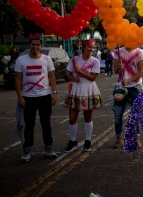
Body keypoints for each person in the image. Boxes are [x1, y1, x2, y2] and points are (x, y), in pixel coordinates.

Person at [15, 33, 58, 162]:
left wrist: (54, 92)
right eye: (33, 45)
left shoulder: (46, 59)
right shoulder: (21, 60)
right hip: (28, 97)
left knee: (46, 124)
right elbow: (17, 79)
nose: (35, 47)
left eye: (38, 45)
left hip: (44, 96)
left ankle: (49, 148)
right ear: (29, 46)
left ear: (41, 46)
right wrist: (19, 96)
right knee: (29, 125)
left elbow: (51, 76)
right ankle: (26, 151)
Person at [64, 39, 102, 153]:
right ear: (83, 48)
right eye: (89, 47)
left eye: (93, 47)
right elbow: (68, 74)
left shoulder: (95, 61)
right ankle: (73, 140)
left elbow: (93, 77)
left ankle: (88, 141)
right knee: (72, 118)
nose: (92, 49)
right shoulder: (74, 59)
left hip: (89, 89)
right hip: (76, 89)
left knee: (87, 116)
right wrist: (73, 78)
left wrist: (80, 71)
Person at [112, 45, 143, 149]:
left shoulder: (140, 53)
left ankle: (136, 137)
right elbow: (115, 71)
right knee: (118, 114)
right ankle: (119, 137)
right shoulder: (118, 52)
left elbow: (141, 72)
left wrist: (128, 80)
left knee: (135, 114)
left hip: (135, 87)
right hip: (120, 87)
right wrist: (119, 68)